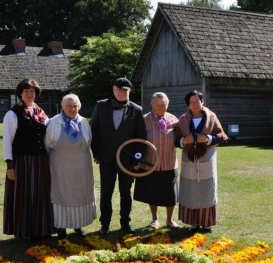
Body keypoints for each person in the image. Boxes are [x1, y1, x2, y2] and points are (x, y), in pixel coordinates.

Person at [90, 78, 147, 234]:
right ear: (113, 89)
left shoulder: (136, 109)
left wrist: (137, 159)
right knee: (106, 193)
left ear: (129, 92)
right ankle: (105, 225)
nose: (122, 93)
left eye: (125, 90)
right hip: (106, 159)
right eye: (119, 90)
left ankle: (125, 223)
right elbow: (94, 131)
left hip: (127, 161)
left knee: (125, 193)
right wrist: (97, 153)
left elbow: (141, 137)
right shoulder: (101, 106)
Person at [2, 78, 53, 240]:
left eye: (32, 91)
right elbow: (7, 142)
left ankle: (41, 229)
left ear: (36, 93)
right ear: (20, 94)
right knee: (24, 195)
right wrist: (10, 166)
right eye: (26, 91)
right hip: (21, 161)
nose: (29, 94)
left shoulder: (41, 113)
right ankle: (25, 231)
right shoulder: (12, 113)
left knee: (40, 195)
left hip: (40, 161)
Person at [174, 90, 228, 233]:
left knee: (206, 189)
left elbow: (221, 136)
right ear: (188, 105)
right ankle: (193, 223)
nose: (195, 104)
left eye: (197, 101)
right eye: (191, 102)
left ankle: (206, 223)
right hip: (189, 159)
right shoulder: (183, 120)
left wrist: (208, 139)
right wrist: (184, 141)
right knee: (190, 189)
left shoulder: (211, 117)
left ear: (202, 102)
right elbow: (175, 140)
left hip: (207, 157)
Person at [45, 94, 96, 238]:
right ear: (62, 106)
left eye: (75, 106)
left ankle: (77, 225)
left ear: (79, 107)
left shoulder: (84, 122)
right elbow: (47, 144)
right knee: (61, 193)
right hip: (60, 166)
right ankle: (61, 227)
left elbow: (89, 141)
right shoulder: (54, 122)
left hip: (81, 166)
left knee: (79, 193)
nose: (72, 109)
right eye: (69, 106)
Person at [133, 92, 180, 229]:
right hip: (150, 163)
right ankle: (155, 219)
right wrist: (138, 159)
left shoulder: (174, 120)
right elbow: (138, 141)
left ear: (167, 104)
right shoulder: (144, 120)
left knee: (170, 194)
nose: (160, 108)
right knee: (152, 192)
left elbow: (181, 138)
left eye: (163, 105)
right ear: (152, 105)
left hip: (169, 162)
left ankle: (169, 220)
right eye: (157, 105)